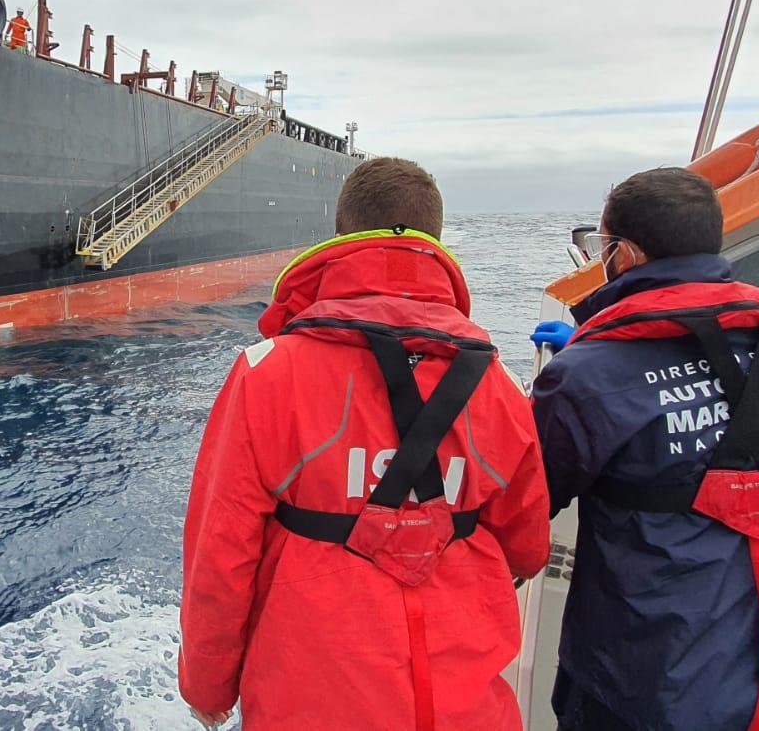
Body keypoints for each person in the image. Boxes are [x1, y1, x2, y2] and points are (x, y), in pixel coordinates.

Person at [179, 157, 551, 730]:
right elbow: (527, 547)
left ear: (341, 233)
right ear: (437, 240)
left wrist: (208, 684)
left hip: (310, 700)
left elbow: (221, 551)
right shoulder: (497, 383)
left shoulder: (266, 374)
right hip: (467, 705)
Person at [530, 167, 759, 731]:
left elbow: (525, 505)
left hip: (644, 695)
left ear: (626, 254)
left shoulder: (588, 375)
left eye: (601, 247)